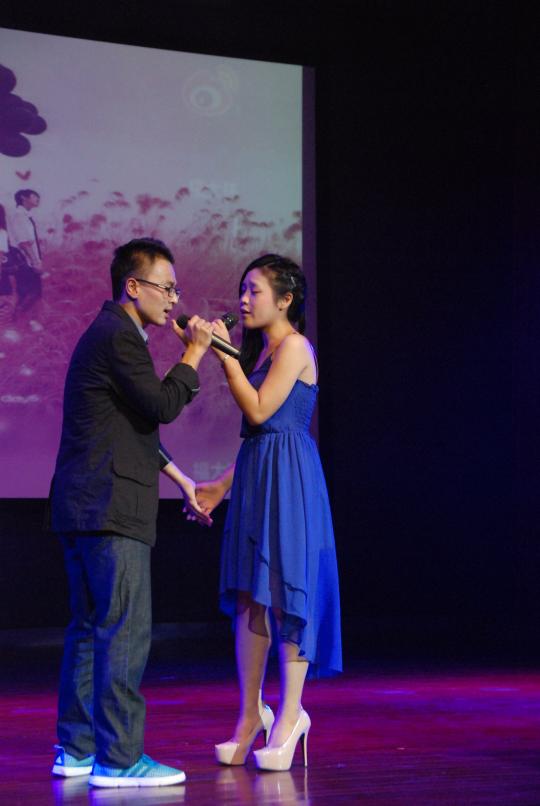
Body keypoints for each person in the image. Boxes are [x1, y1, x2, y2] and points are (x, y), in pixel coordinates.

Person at [50, 237, 213, 788]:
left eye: (176, 289)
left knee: (89, 628)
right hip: (110, 506)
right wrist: (195, 352)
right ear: (133, 286)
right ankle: (119, 759)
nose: (174, 299)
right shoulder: (119, 335)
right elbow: (161, 405)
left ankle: (77, 750)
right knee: (123, 629)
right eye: (167, 288)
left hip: (84, 505)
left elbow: (127, 427)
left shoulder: (109, 333)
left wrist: (182, 479)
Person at [195, 254, 342, 772]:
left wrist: (224, 356)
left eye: (254, 290)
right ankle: (248, 717)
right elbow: (259, 433)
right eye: (242, 289)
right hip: (259, 475)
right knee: (249, 597)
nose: (243, 299)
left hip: (291, 480)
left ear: (285, 300)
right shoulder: (265, 351)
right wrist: (221, 485)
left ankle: (291, 715)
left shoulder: (296, 346)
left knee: (285, 594)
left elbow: (260, 410)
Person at [7, 188, 43, 319]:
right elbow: (23, 242)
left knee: (33, 292)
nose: (38, 199)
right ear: (23, 198)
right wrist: (35, 261)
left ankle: (23, 320)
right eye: (34, 196)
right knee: (29, 292)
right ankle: (16, 320)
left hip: (29, 260)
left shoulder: (26, 216)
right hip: (24, 261)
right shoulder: (19, 215)